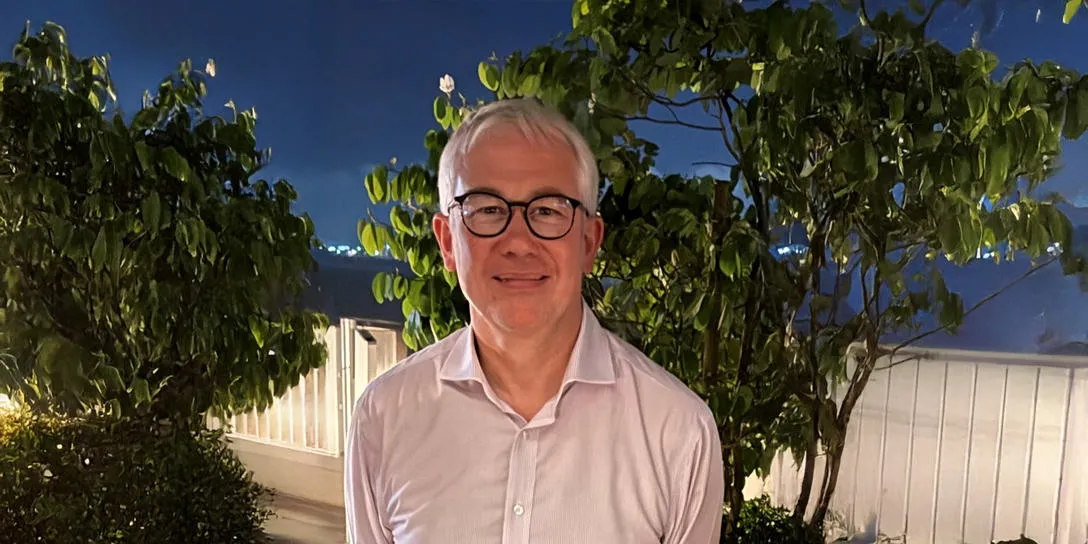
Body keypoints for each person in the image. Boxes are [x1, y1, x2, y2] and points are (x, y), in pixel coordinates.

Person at [344, 97, 724, 543]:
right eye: (487, 209)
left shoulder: (677, 432)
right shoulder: (385, 418)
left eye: (547, 210)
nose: (518, 242)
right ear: (447, 241)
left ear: (589, 242)